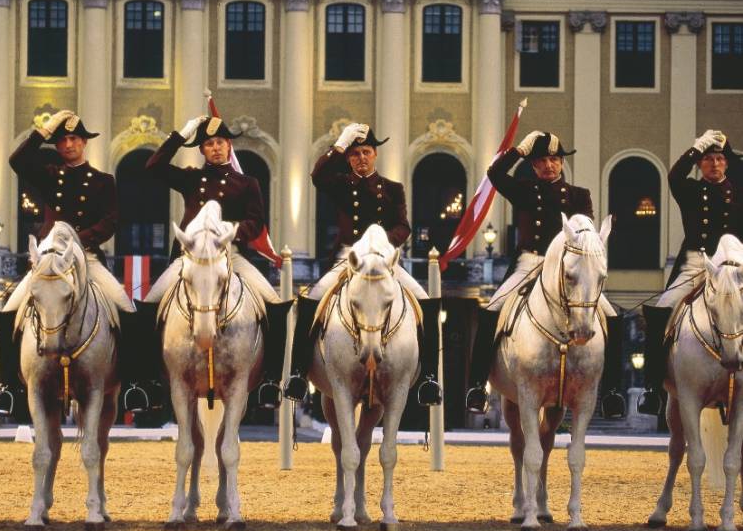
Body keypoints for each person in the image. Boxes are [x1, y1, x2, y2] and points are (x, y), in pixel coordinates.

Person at [128, 115, 292, 410]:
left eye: (220, 142)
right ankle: (146, 381)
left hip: (231, 256)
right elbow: (153, 167)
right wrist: (180, 136)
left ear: (229, 146)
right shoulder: (192, 178)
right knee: (148, 305)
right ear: (202, 150)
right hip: (190, 259)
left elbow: (256, 222)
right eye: (208, 144)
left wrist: (230, 233)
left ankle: (270, 380)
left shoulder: (247, 183)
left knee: (275, 305)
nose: (215, 148)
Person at [464, 130, 625, 418]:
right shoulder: (525, 189)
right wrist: (519, 152)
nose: (548, 166)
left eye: (553, 160)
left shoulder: (579, 196)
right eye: (541, 161)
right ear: (534, 166)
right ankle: (477, 386)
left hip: (566, 269)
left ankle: (612, 391)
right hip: (529, 263)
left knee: (612, 316)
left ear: (561, 163)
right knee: (493, 309)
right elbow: (494, 173)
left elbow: (585, 234)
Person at [284, 122, 442, 406]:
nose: (362, 158)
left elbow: (403, 226)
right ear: (349, 158)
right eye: (355, 154)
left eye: (366, 152)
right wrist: (340, 144)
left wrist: (383, 243)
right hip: (350, 257)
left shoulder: (393, 189)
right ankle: (297, 373)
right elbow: (318, 176)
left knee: (426, 302)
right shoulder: (342, 184)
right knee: (312, 301)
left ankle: (430, 377)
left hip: (383, 259)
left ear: (375, 155)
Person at [0, 110, 133, 410]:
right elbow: (17, 161)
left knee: (126, 307)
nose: (68, 144)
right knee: (8, 311)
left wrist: (78, 241)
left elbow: (111, 221)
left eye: (73, 139)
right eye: (62, 140)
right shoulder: (50, 175)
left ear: (83, 142)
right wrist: (44, 131)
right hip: (50, 261)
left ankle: (133, 383)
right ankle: (7, 388)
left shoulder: (102, 181)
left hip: (87, 259)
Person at [639, 129, 743, 415]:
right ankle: (652, 388)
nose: (714, 163)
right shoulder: (691, 190)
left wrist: (729, 148)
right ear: (700, 164)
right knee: (661, 311)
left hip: (735, 265)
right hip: (697, 263)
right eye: (707, 159)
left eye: (719, 158)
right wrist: (696, 147)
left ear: (727, 162)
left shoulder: (739, 188)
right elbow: (673, 177)